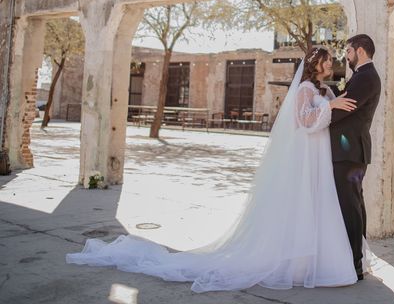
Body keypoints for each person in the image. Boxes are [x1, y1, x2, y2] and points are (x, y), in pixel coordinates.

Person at [66, 46, 360, 292]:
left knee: (317, 201)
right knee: (300, 201)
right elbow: (305, 121)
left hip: (319, 153)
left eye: (332, 60)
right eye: (328, 60)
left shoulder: (325, 89)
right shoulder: (306, 89)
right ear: (315, 64)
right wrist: (330, 109)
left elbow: (330, 116)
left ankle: (313, 260)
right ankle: (293, 262)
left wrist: (335, 106)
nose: (331, 64)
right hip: (305, 153)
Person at [330, 34, 381, 280]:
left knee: (350, 206)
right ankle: (357, 257)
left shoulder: (365, 77)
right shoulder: (363, 76)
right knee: (355, 204)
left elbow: (343, 110)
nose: (346, 57)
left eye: (348, 51)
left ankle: (354, 263)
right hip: (352, 150)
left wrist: (315, 116)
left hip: (349, 151)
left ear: (360, 51)